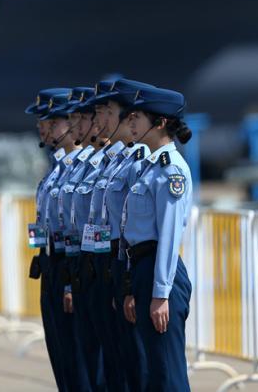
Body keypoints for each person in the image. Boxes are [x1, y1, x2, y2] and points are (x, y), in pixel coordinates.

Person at [121, 87, 194, 392]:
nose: (132, 123)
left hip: (159, 272)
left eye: (138, 117)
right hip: (143, 269)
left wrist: (160, 294)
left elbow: (168, 235)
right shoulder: (149, 168)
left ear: (160, 122)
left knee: (167, 374)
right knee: (153, 373)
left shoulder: (170, 170)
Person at [87, 78, 157, 392]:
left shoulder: (137, 161)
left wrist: (127, 278)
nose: (97, 120)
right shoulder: (109, 162)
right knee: (112, 360)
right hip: (104, 261)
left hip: (128, 261)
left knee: (137, 365)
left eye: (106, 111)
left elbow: (138, 225)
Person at [47, 86, 100, 391]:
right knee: (69, 357)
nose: (45, 128)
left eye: (55, 121)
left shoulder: (92, 169)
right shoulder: (63, 169)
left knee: (99, 364)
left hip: (93, 265)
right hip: (64, 263)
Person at [26, 87, 79, 391]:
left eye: (50, 121)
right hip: (52, 265)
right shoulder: (55, 170)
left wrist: (71, 282)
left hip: (72, 267)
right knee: (63, 358)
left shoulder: (80, 170)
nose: (42, 128)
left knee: (84, 363)